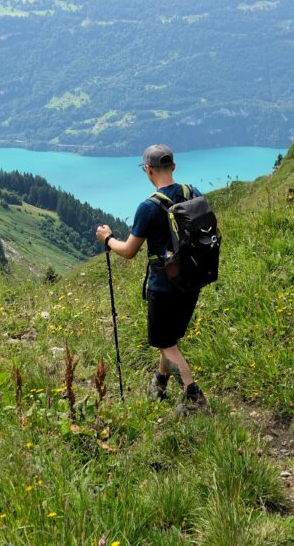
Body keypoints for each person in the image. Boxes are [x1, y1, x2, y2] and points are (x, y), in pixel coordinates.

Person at [95, 144, 209, 414]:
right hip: (192, 280)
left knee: (165, 343)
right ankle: (159, 383)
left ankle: (194, 397)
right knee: (170, 338)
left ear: (148, 170)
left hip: (164, 286)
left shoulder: (148, 207)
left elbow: (129, 251)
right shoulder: (192, 192)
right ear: (173, 166)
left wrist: (108, 239)